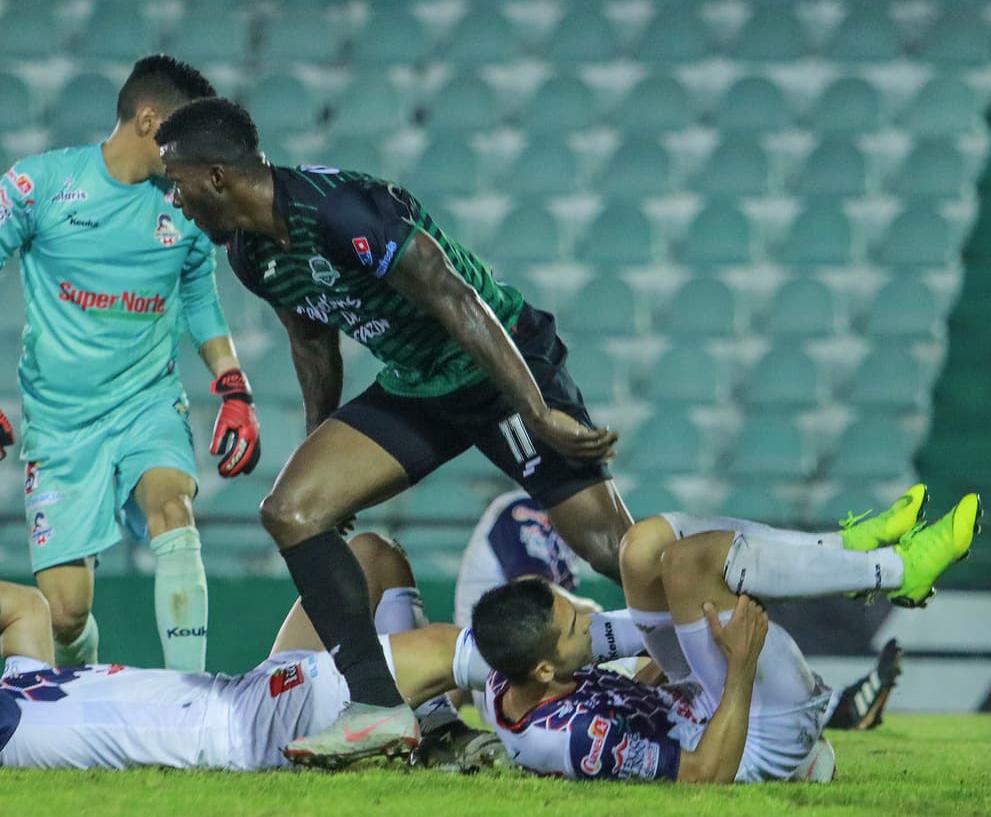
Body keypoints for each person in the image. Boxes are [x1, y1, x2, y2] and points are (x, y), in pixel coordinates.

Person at [153, 96, 632, 765]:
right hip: (418, 384)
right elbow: (312, 341)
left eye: (175, 181)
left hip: (496, 365)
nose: (174, 200)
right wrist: (322, 448)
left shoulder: (343, 210)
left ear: (216, 176)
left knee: (611, 548)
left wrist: (536, 409)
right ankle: (378, 706)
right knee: (294, 510)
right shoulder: (251, 254)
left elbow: (455, 298)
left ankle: (715, 651)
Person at [0, 57, 262, 673]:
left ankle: (187, 697)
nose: (195, 152)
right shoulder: (39, 186)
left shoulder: (186, 204)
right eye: (184, 133)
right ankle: (83, 689)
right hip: (61, 423)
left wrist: (233, 386)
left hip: (147, 403)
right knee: (65, 614)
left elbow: (198, 295)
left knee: (174, 511)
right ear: (149, 121)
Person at [0, 536, 498, 771]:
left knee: (369, 558)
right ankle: (556, 686)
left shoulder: (8, 699)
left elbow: (26, 608)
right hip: (252, 730)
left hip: (243, 692)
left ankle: (435, 729)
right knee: (446, 646)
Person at [468, 487, 980, 783]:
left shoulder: (508, 671)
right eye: (577, 625)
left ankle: (842, 548)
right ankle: (895, 571)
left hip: (694, 696)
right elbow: (705, 774)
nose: (591, 621)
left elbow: (435, 652)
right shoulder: (575, 740)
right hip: (751, 738)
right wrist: (738, 670)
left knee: (642, 547)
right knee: (691, 563)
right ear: (543, 669)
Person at [455, 489, 907, 730]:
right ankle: (829, 708)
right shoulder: (523, 511)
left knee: (678, 621)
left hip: (554, 662)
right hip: (534, 675)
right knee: (683, 629)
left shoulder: (566, 524)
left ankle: (827, 703)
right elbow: (535, 598)